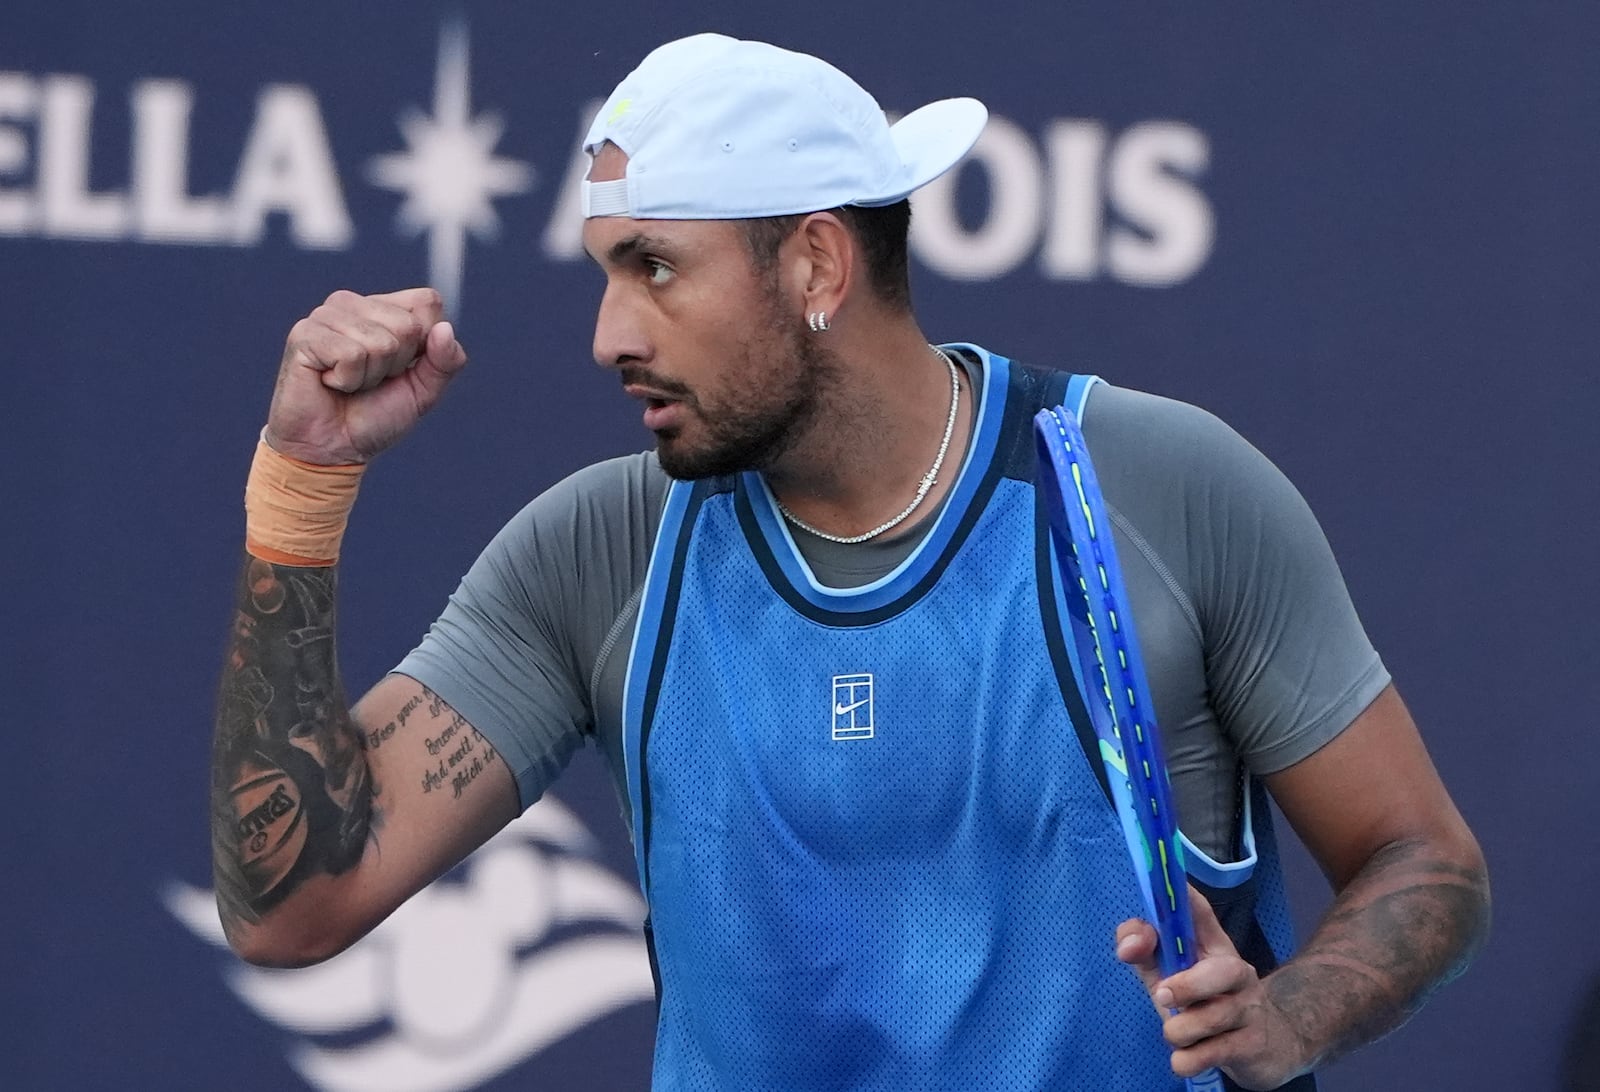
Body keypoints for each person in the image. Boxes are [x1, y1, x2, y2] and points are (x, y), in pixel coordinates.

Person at [210, 33, 1489, 1091]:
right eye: (608, 273)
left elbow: (1422, 861)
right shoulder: (596, 551)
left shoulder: (1157, 484)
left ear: (815, 262)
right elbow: (292, 908)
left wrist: (1291, 1017)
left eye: (655, 268)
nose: (608, 335)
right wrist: (301, 484)